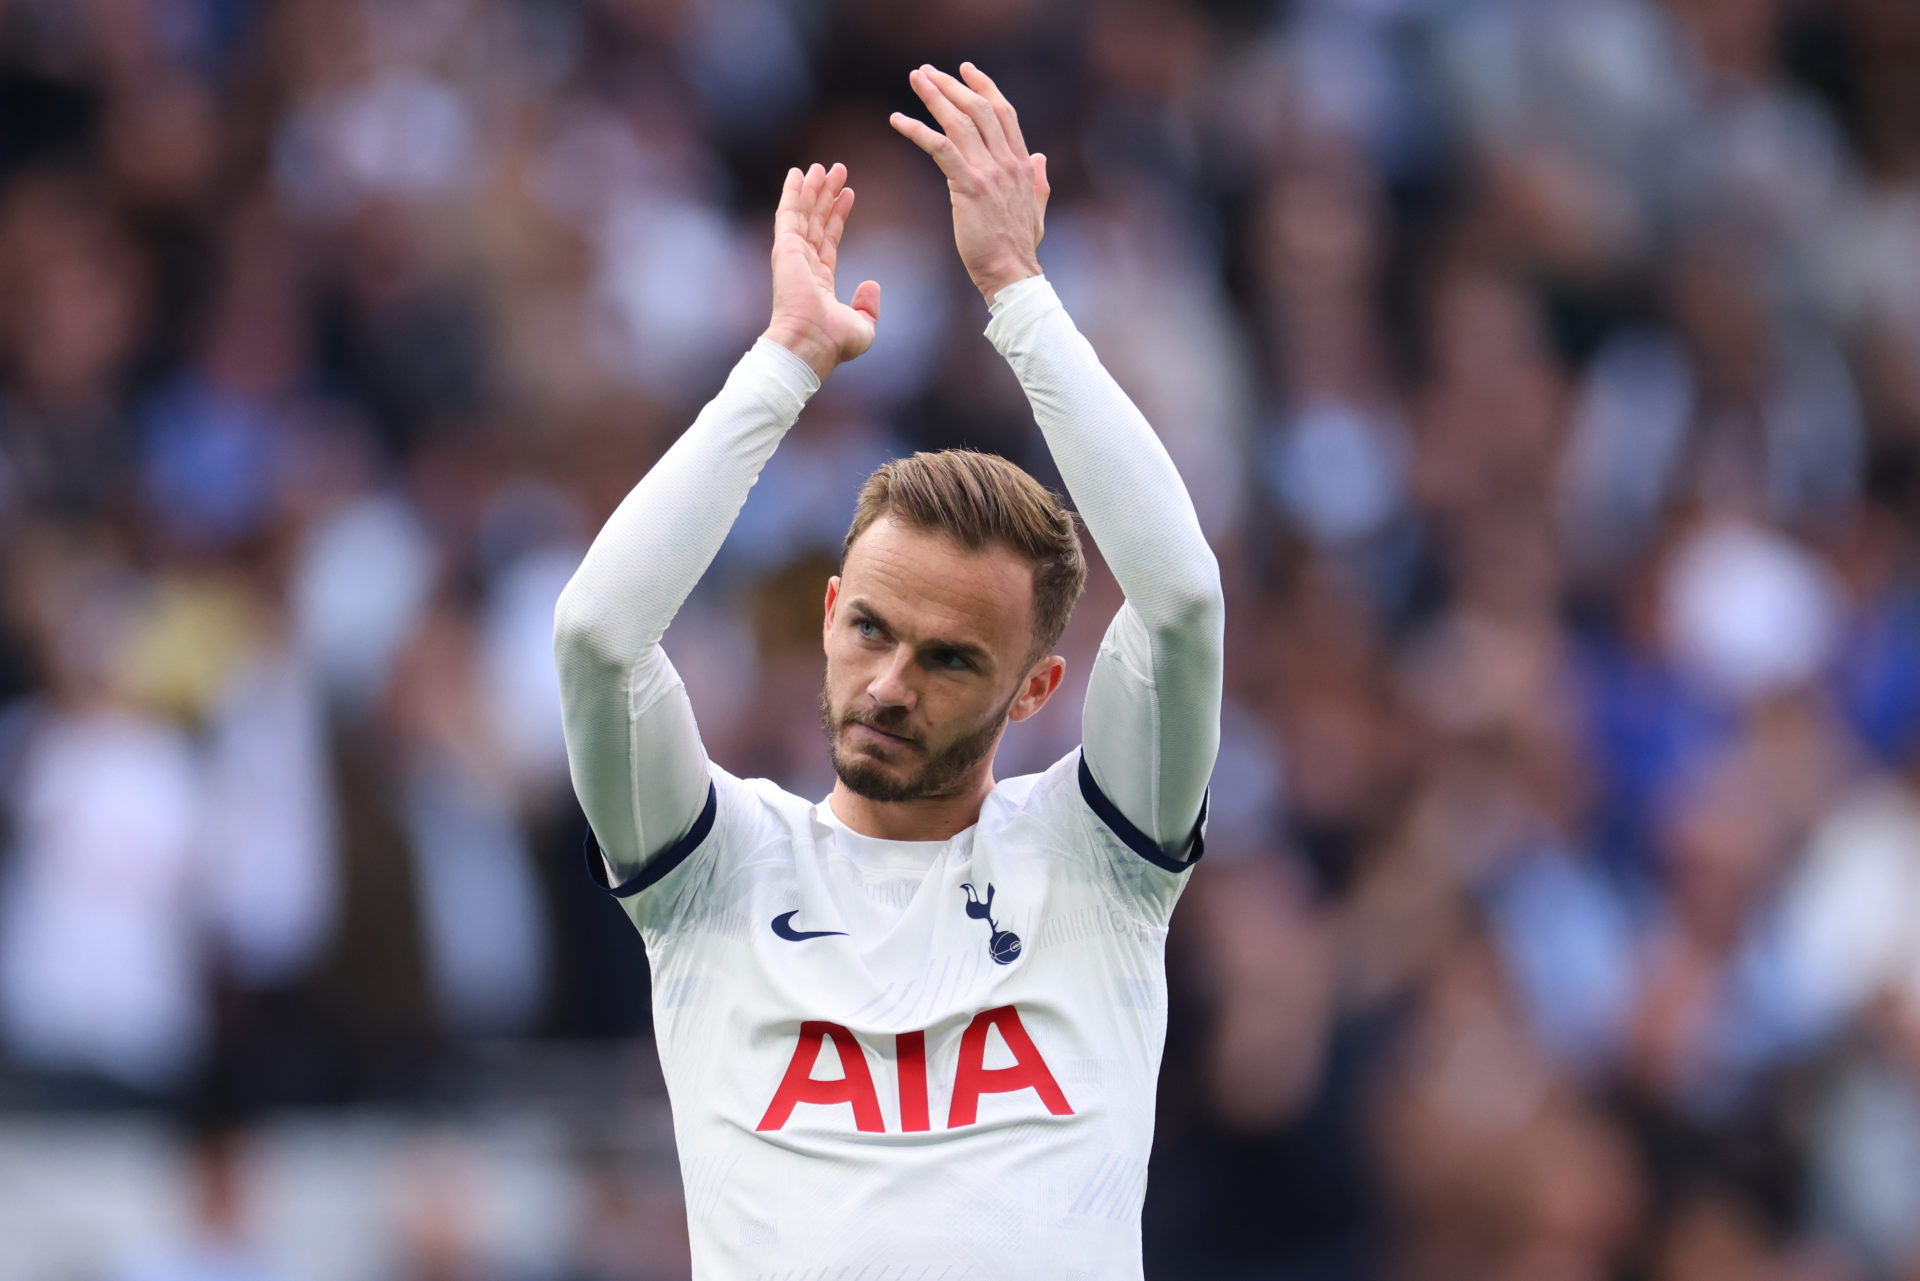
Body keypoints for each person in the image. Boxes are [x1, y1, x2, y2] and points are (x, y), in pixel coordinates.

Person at [553, 62, 1223, 1278]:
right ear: (826, 614)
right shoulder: (713, 876)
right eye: (870, 629)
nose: (891, 683)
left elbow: (1178, 604)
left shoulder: (1098, 865)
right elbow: (600, 638)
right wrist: (786, 361)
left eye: (953, 658)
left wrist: (1019, 294)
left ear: (1035, 691)